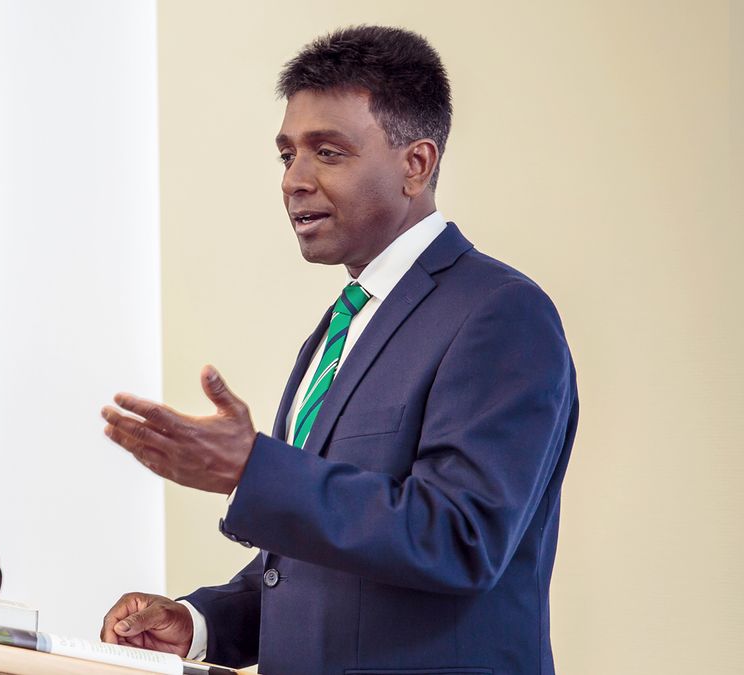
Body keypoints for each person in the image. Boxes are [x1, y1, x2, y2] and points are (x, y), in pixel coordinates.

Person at [99, 26, 577, 674]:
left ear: (417, 164)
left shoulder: (500, 314)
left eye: (327, 151)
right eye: (286, 155)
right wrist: (201, 621)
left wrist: (252, 468)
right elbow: (322, 569)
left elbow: (459, 535)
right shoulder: (341, 325)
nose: (294, 180)